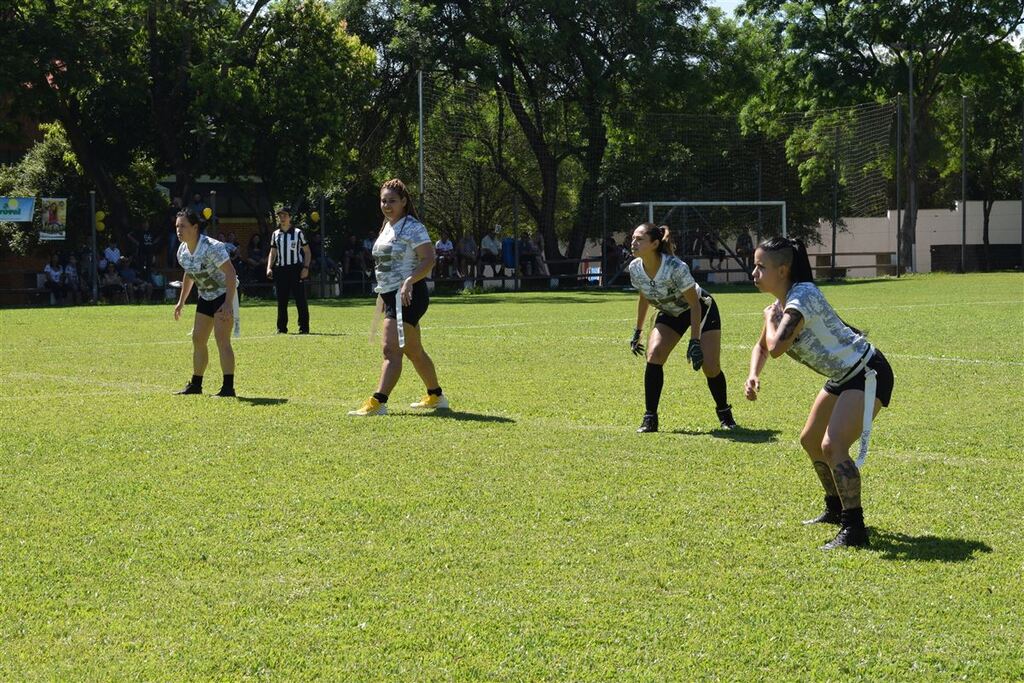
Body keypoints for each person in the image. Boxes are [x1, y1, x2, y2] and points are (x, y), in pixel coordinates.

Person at [745, 237, 894, 550]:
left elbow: (775, 346)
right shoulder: (781, 305)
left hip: (867, 372)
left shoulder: (801, 298)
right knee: (810, 440)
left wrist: (768, 321)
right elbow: (762, 347)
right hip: (843, 374)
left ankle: (855, 529)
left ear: (783, 270)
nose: (754, 272)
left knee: (833, 444)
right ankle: (835, 507)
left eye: (761, 267)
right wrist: (753, 376)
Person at [348, 178, 448, 417]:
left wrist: (408, 282)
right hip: (391, 293)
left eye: (392, 200)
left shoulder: (413, 226)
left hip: (408, 295)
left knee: (390, 350)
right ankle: (436, 396)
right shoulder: (387, 225)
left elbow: (428, 259)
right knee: (414, 351)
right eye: (383, 200)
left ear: (404, 201)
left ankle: (378, 402)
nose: (387, 205)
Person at [627, 223, 737, 433]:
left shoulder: (675, 267)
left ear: (655, 244)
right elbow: (644, 297)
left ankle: (725, 414)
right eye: (633, 238)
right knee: (655, 354)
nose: (633, 242)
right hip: (671, 312)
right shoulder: (635, 268)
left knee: (710, 366)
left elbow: (694, 303)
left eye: (639, 239)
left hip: (700, 308)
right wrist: (637, 330)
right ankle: (650, 418)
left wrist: (694, 341)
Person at [173, 209, 239, 398]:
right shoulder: (182, 251)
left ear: (195, 228)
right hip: (206, 296)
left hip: (223, 294)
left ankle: (228, 388)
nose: (179, 230)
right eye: (177, 226)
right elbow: (189, 273)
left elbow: (231, 273)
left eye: (183, 226)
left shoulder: (212, 246)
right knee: (198, 339)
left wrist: (228, 303)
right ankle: (196, 384)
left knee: (222, 340)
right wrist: (181, 301)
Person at [266, 206, 311, 334]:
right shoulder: (275, 234)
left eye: (284, 215)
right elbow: (272, 252)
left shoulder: (298, 233)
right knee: (282, 300)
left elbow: (307, 252)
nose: (282, 218)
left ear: (290, 217)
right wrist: (269, 267)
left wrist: (305, 267)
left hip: (295, 269)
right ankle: (281, 328)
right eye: (280, 215)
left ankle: (304, 327)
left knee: (300, 299)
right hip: (281, 269)